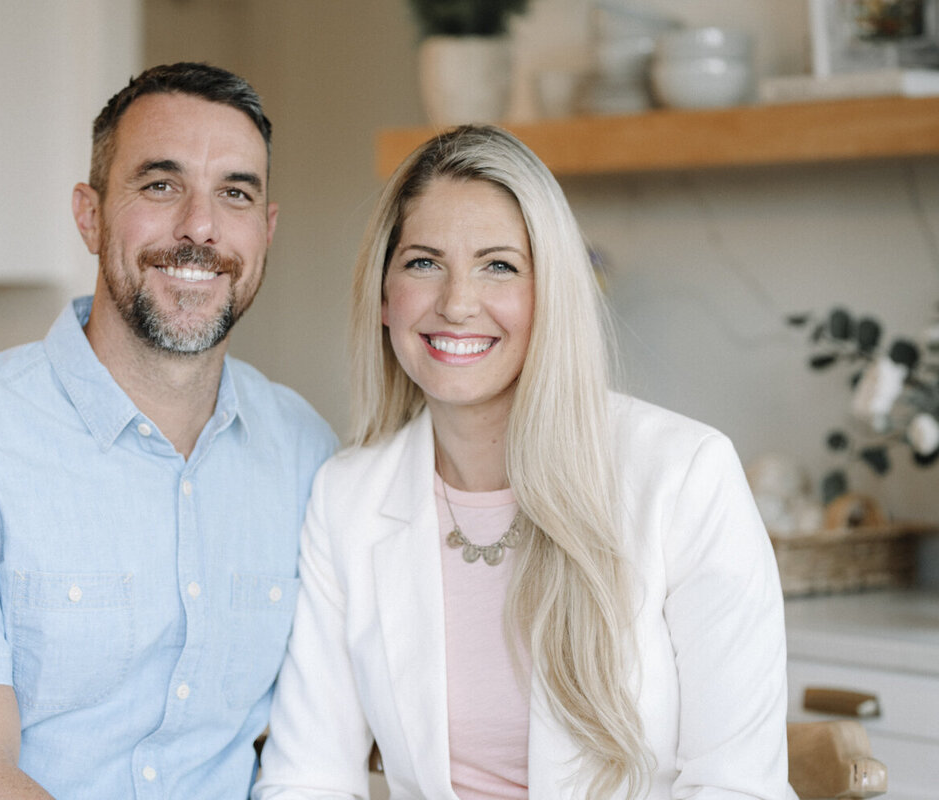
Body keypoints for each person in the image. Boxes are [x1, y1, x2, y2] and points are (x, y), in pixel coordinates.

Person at [0, 62, 336, 799]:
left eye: (235, 193)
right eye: (161, 185)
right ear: (90, 214)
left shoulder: (305, 452)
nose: (201, 226)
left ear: (264, 232)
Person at [252, 125, 791, 800]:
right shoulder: (346, 499)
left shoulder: (687, 477)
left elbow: (738, 787)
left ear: (552, 294)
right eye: (423, 262)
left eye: (498, 265)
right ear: (385, 296)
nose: (456, 302)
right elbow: (309, 777)